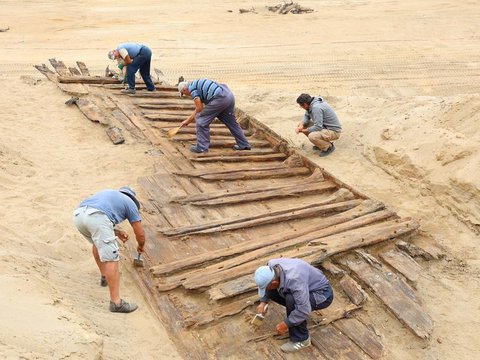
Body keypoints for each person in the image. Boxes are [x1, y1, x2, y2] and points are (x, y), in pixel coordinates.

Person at [72, 186, 146, 313]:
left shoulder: (109, 194)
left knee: (97, 243)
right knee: (112, 258)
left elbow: (96, 215)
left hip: (79, 215)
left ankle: (105, 276)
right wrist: (141, 246)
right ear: (133, 199)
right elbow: (140, 234)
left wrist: (116, 232)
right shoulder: (130, 203)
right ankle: (116, 303)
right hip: (96, 217)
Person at [254, 258, 334, 353]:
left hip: (322, 294)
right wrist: (263, 302)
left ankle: (302, 339)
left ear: (275, 282)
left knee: (292, 300)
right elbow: (269, 285)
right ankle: (296, 317)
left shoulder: (295, 281)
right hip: (304, 286)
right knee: (271, 291)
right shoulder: (271, 266)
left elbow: (304, 309)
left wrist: (286, 323)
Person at [178, 79, 251, 153]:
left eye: (183, 93)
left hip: (220, 98)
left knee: (201, 120)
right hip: (228, 95)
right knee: (231, 122)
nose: (186, 95)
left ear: (184, 89)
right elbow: (199, 107)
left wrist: (188, 121)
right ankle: (244, 144)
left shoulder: (192, 90)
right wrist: (188, 121)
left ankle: (202, 147)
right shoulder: (196, 84)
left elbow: (199, 109)